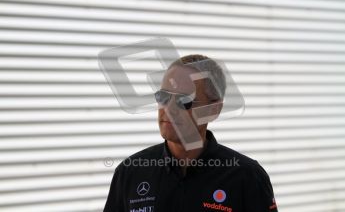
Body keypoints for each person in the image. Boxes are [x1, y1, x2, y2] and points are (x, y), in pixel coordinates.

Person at [104, 54, 278, 212]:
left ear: (214, 109)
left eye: (184, 100)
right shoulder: (130, 172)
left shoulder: (247, 177)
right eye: (163, 96)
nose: (169, 109)